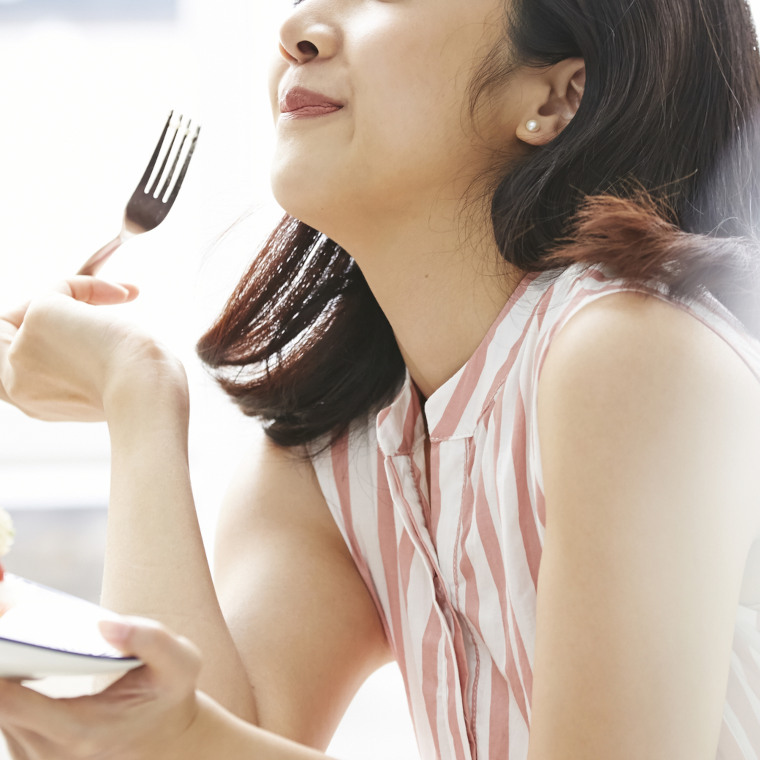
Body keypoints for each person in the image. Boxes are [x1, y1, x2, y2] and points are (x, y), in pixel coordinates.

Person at [1, 0, 760, 757]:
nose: (297, 29)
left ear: (554, 97)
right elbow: (167, 736)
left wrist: (183, 737)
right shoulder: (340, 455)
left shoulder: (634, 355)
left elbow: (186, 738)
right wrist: (134, 398)